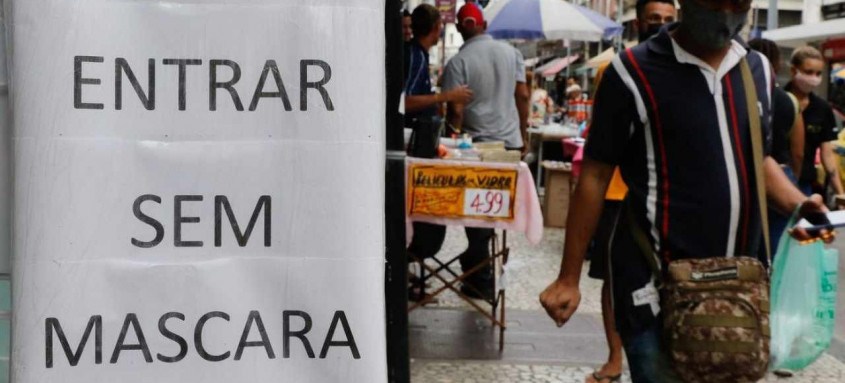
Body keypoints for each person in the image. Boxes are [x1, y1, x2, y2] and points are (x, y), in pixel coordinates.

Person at [538, 0, 831, 381]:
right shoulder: (632, 72)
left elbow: (757, 159)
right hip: (653, 286)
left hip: (737, 291)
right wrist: (568, 278)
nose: (727, 12)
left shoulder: (755, 69)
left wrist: (800, 204)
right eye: (715, 2)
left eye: (739, 3)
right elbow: (594, 175)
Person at [584, 2, 675, 382]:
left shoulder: (679, 72)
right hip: (617, 193)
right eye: (655, 20)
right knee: (613, 278)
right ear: (638, 23)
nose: (662, 26)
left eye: (670, 20)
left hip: (662, 195)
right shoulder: (615, 71)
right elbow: (600, 147)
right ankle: (614, 357)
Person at [441, 2, 530, 299]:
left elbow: (455, 108)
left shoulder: (458, 62)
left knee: (477, 209)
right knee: (497, 212)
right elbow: (523, 94)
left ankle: (480, 271)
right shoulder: (512, 53)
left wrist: (452, 134)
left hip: (476, 146)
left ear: (458, 27)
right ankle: (481, 270)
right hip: (510, 144)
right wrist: (524, 131)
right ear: (485, 26)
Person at [404, 4, 473, 301]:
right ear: (435, 30)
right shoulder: (414, 57)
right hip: (410, 148)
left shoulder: (416, 55)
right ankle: (407, 266)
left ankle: (410, 270)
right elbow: (403, 102)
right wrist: (447, 96)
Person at [748, 38, 806, 254]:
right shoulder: (788, 100)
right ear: (777, 63)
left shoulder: (737, 93)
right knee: (778, 243)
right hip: (782, 174)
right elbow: (798, 151)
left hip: (748, 176)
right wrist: (792, 179)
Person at [785, 46, 844, 197]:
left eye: (818, 73)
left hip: (805, 185)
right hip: (776, 181)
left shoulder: (822, 108)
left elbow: (827, 154)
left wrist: (840, 193)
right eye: (808, 72)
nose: (814, 78)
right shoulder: (777, 101)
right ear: (793, 71)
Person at [404, 4, 472, 122]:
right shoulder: (417, 57)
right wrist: (446, 96)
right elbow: (406, 101)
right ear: (435, 27)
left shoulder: (419, 55)